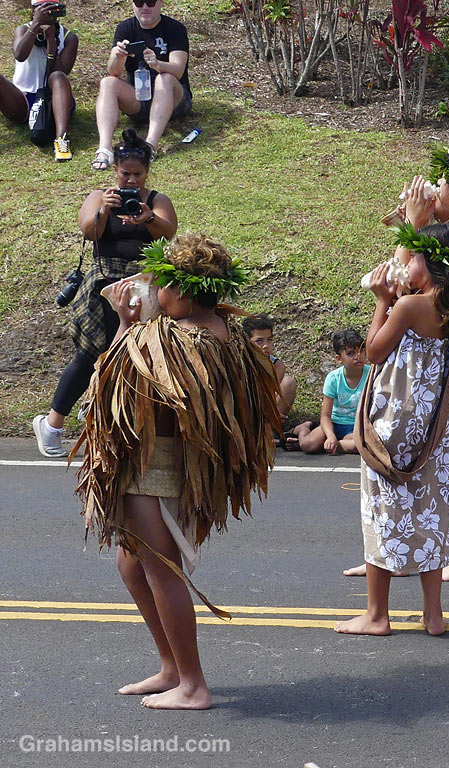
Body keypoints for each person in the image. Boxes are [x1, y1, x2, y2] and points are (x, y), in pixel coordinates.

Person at [72, 233, 279, 709]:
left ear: (182, 292)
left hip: (156, 465)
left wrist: (126, 325)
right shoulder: (218, 330)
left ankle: (193, 685)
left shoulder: (178, 340)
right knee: (132, 563)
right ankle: (170, 667)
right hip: (172, 464)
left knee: (161, 570)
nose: (154, 291)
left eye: (161, 283)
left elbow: (118, 386)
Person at [345, 146, 449, 581]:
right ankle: (390, 553)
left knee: (448, 458)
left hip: (426, 369)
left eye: (440, 181)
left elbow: (400, 280)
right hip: (437, 362)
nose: (433, 188)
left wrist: (414, 226)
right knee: (447, 455)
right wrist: (415, 225)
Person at [334, 222, 449, 637]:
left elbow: (375, 352)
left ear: (429, 262)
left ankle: (376, 615)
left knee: (382, 511)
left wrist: (382, 301)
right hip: (433, 423)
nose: (406, 264)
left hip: (394, 421)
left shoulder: (409, 307)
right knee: (428, 511)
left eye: (412, 257)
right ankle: (433, 615)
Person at [33, 128, 177, 458]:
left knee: (138, 358)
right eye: (125, 174)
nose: (130, 181)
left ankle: (118, 429)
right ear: (115, 170)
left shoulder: (156, 200)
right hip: (102, 284)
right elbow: (88, 230)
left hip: (143, 284)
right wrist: (105, 210)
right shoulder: (100, 197)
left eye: (137, 175)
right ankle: (52, 425)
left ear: (147, 173)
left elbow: (169, 231)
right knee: (90, 354)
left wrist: (148, 217)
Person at [92, 0, 191, 170]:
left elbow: (178, 69)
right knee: (107, 82)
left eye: (151, 2)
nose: (145, 7)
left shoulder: (175, 29)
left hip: (174, 99)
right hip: (140, 97)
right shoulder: (125, 28)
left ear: (160, 3)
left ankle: (150, 146)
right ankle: (105, 149)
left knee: (164, 78)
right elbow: (113, 72)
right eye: (139, 2)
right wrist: (118, 56)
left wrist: (158, 65)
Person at [0, 0, 78, 160]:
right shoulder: (23, 29)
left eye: (52, 9)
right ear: (33, 11)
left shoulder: (69, 37)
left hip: (53, 102)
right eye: (42, 9)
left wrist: (51, 42)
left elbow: (61, 72)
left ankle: (62, 139)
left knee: (58, 77)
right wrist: (35, 25)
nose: (47, 14)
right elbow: (20, 55)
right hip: (23, 99)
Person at [292, 329, 368, 455]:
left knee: (357, 445)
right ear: (339, 359)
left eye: (361, 351)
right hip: (334, 423)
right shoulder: (334, 378)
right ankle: (303, 428)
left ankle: (330, 445)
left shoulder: (371, 375)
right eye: (351, 353)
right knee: (307, 445)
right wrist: (331, 435)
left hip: (355, 426)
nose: (357, 356)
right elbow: (325, 416)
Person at [242, 314, 297, 420]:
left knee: (289, 383)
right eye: (259, 341)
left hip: (266, 408)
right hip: (245, 410)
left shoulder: (277, 365)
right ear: (246, 341)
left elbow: (271, 395)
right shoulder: (239, 363)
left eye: (269, 340)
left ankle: (273, 429)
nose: (266, 345)